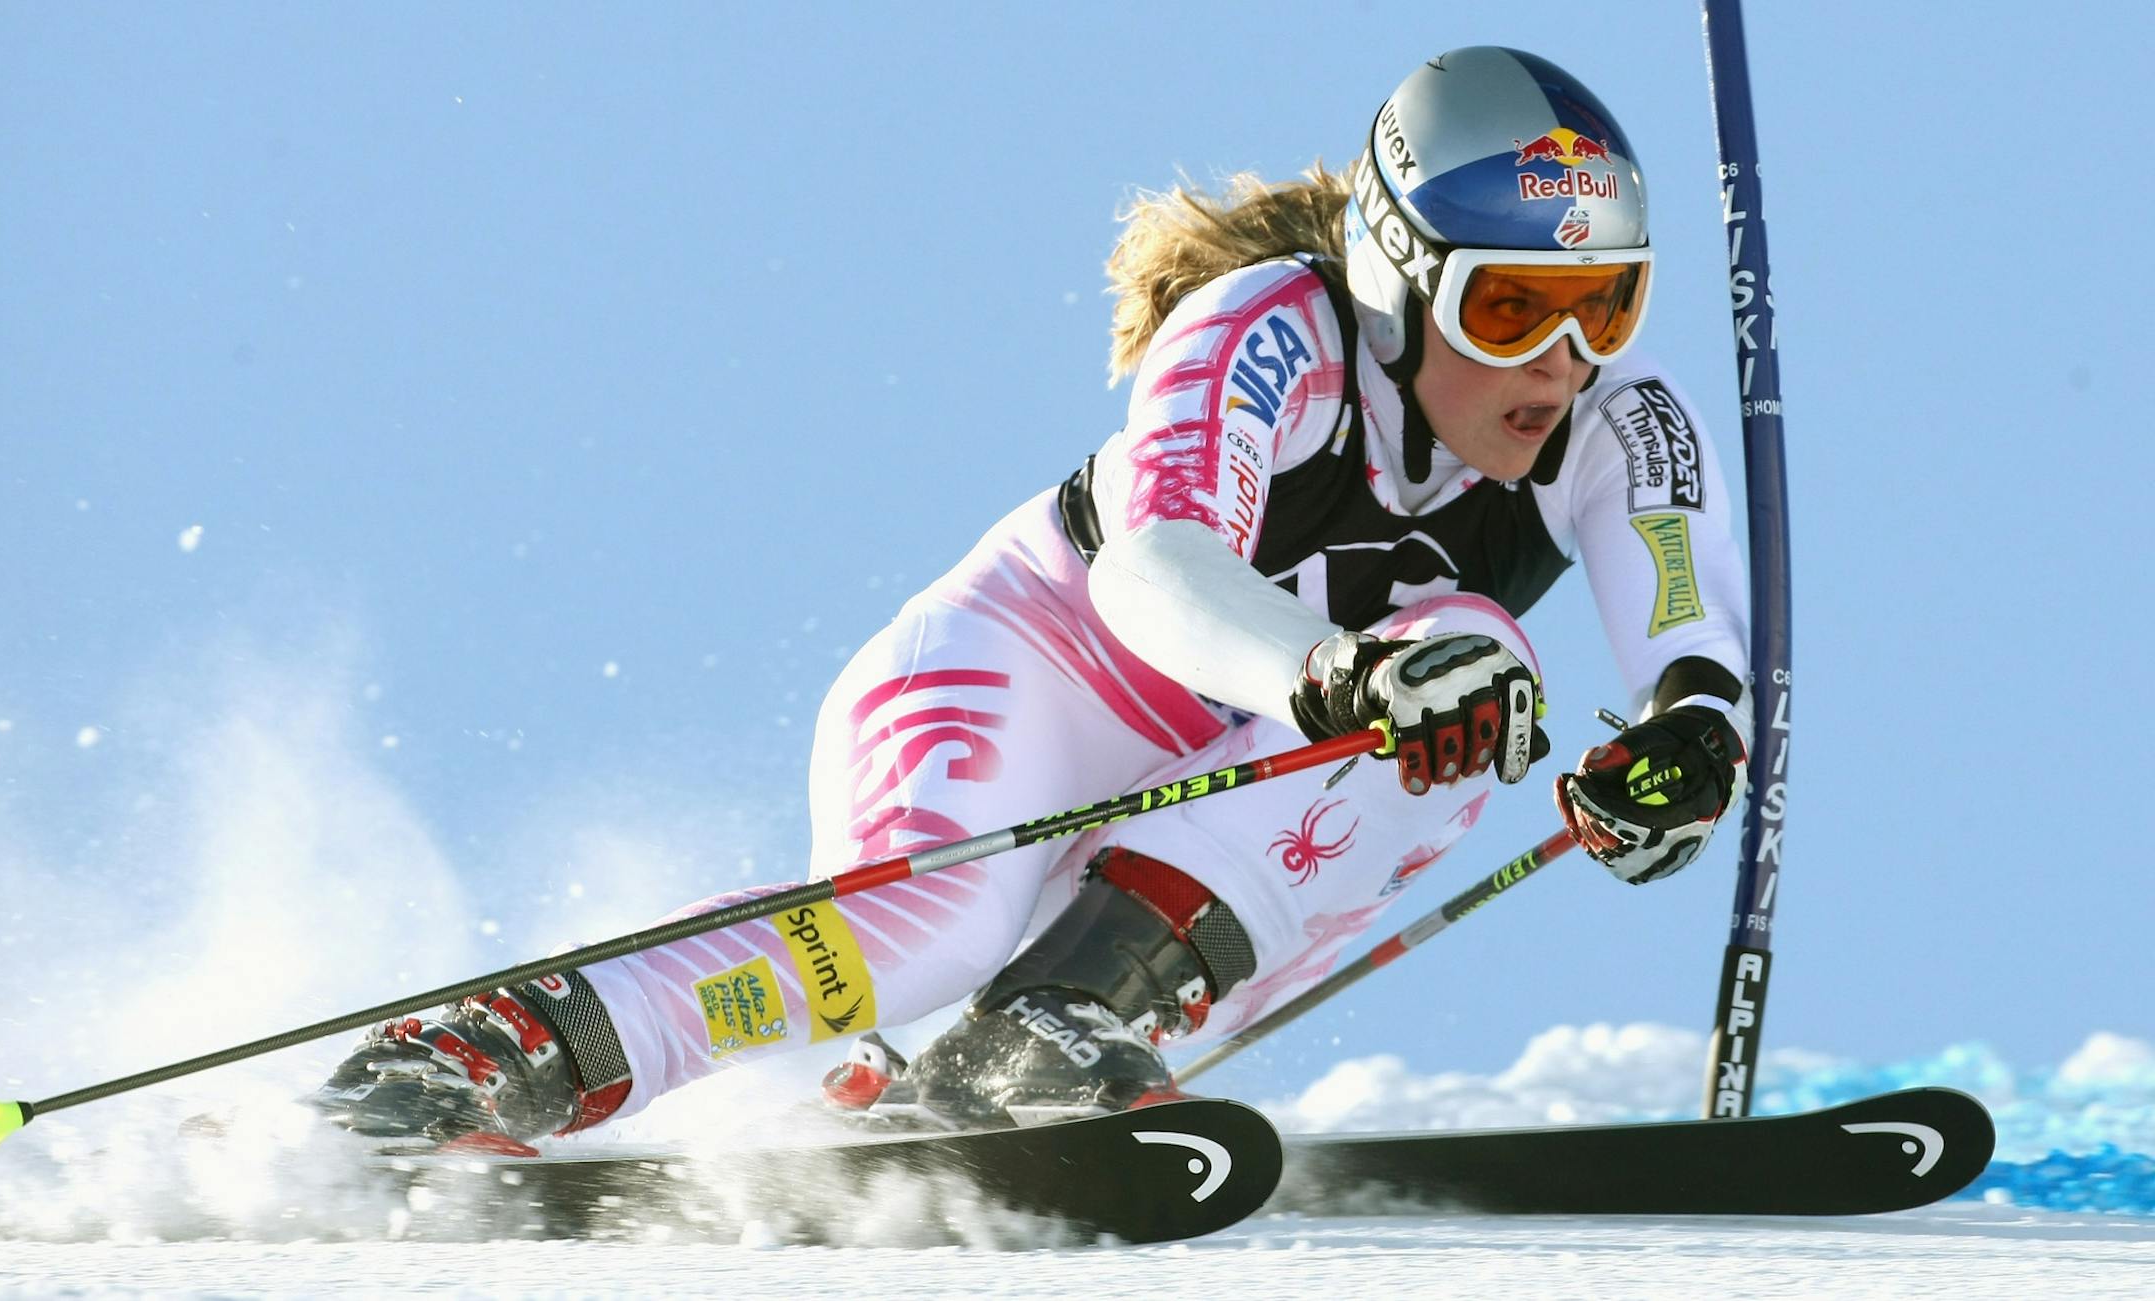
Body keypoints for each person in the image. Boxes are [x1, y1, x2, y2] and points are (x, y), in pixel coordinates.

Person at [315, 46, 1751, 1150]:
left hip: (1221, 809)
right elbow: (1157, 571)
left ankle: (1046, 1035)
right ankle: (513, 1044)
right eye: (1509, 308)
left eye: (1604, 305)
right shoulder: (1269, 334)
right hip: (1026, 684)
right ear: (1395, 277)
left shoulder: (1620, 425)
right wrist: (1344, 677)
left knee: (1474, 677)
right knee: (925, 929)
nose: (1561, 358)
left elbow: (1682, 612)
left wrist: (1689, 740)